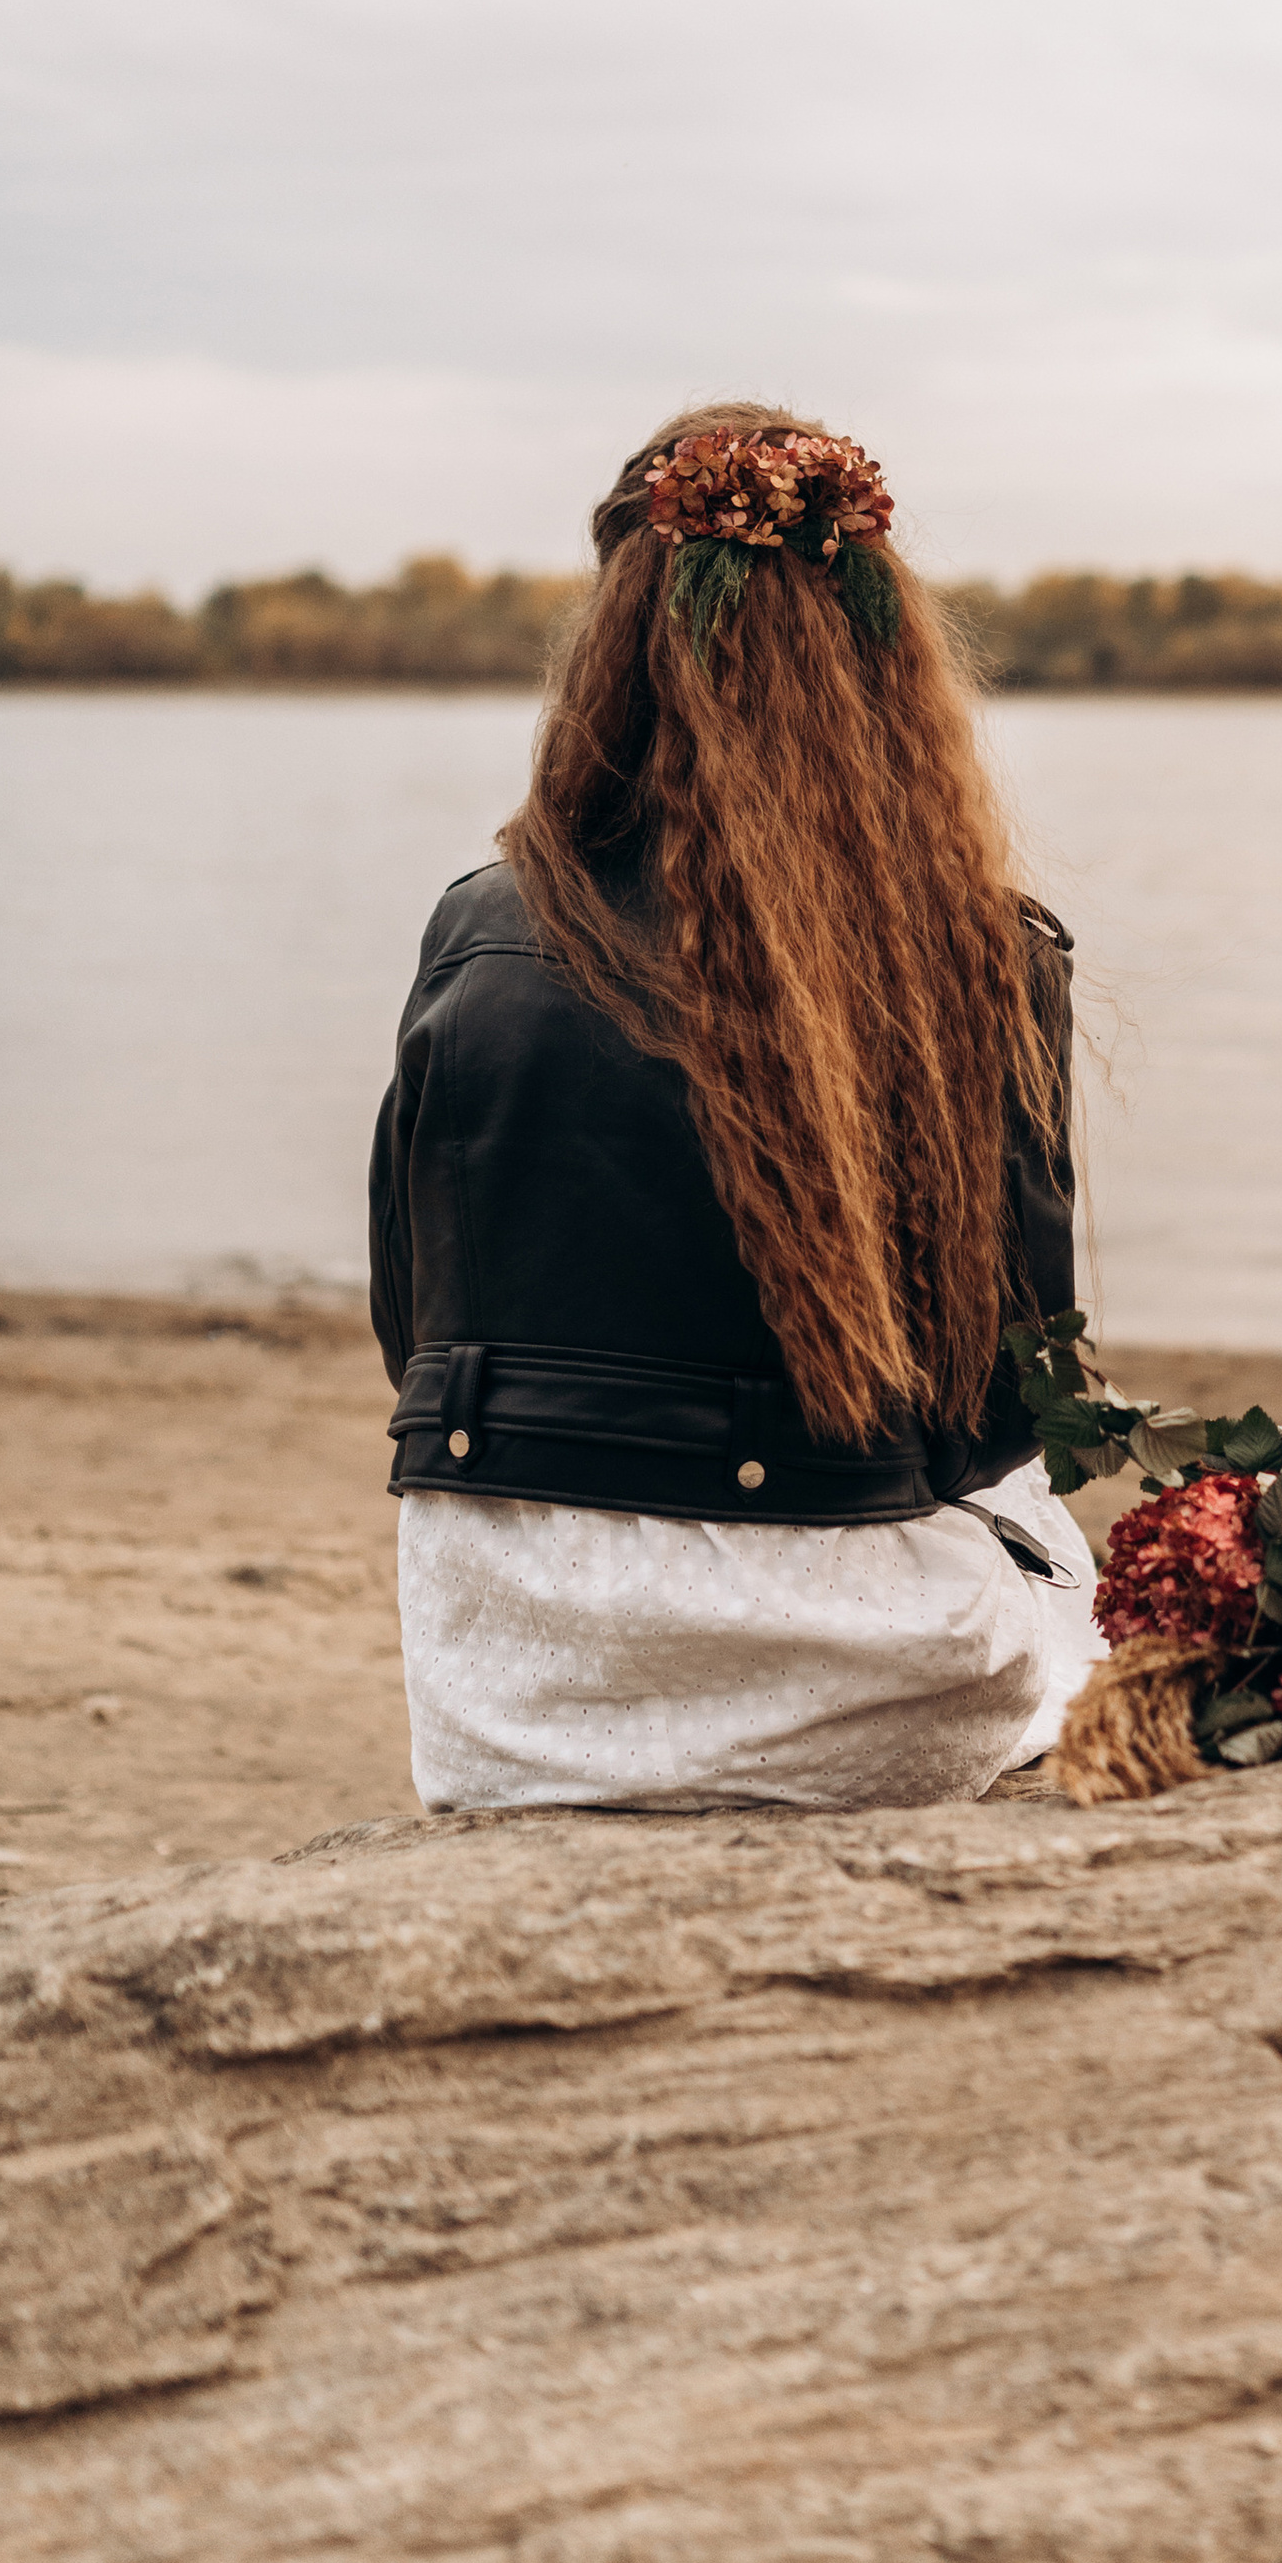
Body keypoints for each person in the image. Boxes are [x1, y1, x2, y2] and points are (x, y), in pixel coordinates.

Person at [368, 404, 1102, 1812]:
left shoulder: (478, 927)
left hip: (509, 1697)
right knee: (1052, 1563)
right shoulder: (981, 955)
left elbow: (413, 1332)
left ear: (614, 645)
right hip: (862, 1695)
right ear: (886, 662)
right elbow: (1008, 1408)